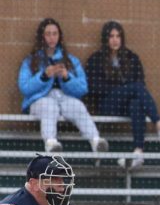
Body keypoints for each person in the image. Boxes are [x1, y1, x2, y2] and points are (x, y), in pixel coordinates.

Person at [85, 21, 160, 169]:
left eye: (118, 36)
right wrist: (122, 89)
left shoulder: (131, 58)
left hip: (127, 105)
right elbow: (93, 87)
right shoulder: (96, 59)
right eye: (111, 36)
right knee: (135, 88)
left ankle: (138, 152)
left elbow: (141, 83)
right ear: (106, 39)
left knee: (137, 104)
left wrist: (127, 90)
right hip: (107, 104)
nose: (115, 40)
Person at [18, 18, 109, 154]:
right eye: (48, 34)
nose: (51, 38)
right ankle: (51, 143)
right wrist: (43, 76)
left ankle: (96, 140)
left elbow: (83, 88)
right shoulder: (31, 60)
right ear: (42, 37)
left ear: (59, 36)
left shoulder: (71, 60)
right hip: (40, 100)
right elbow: (24, 87)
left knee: (77, 106)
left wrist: (67, 77)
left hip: (64, 98)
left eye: (55, 34)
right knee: (49, 106)